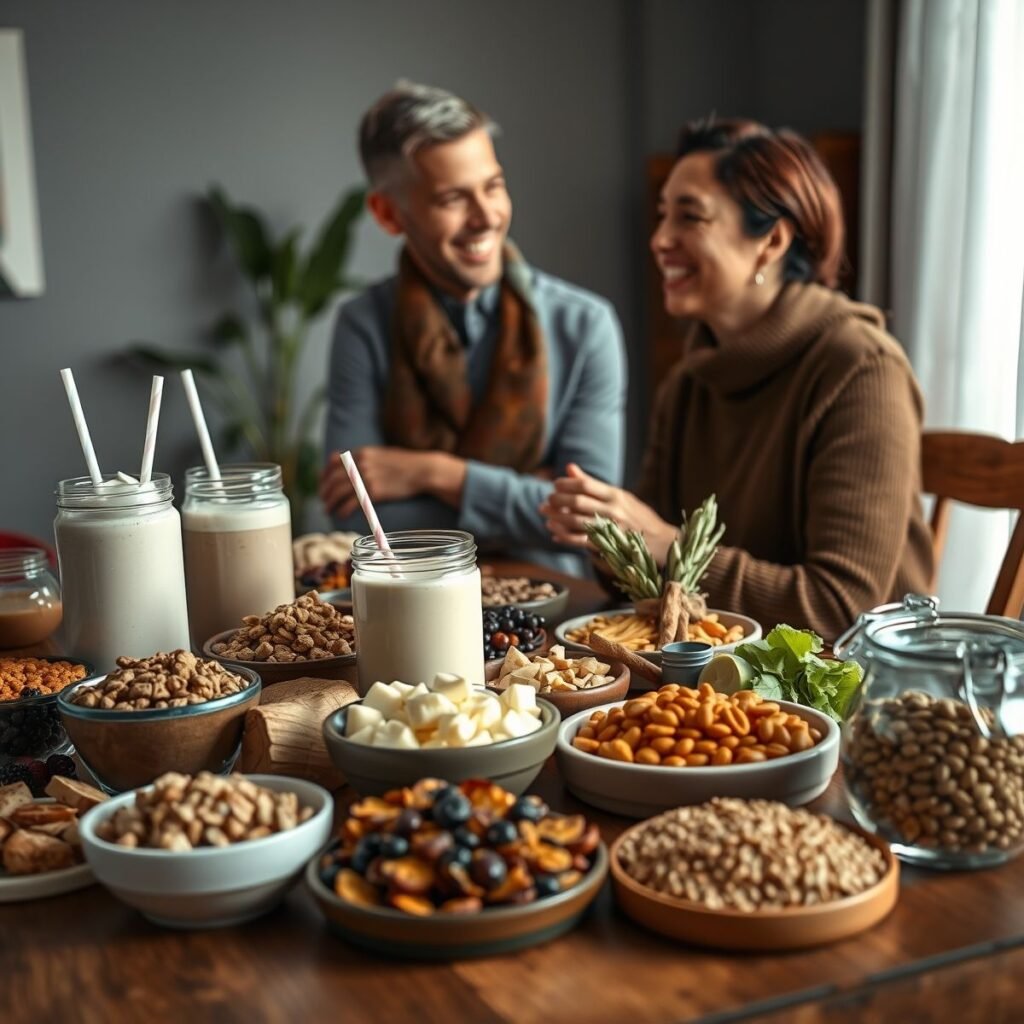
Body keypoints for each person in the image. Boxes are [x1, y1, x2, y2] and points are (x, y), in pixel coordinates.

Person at [541, 117, 933, 640]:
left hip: (848, 691)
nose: (659, 240)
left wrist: (664, 543)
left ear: (770, 241)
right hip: (721, 674)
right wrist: (609, 535)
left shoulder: (861, 369)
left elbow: (843, 609)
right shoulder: (690, 380)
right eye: (662, 217)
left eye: (690, 218)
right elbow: (645, 581)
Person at [321, 82, 627, 574]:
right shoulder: (362, 326)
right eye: (452, 199)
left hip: (556, 611)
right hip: (405, 602)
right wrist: (529, 493)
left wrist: (434, 474)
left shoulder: (585, 325)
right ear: (387, 213)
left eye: (493, 185)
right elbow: (358, 515)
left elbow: (587, 524)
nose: (487, 217)